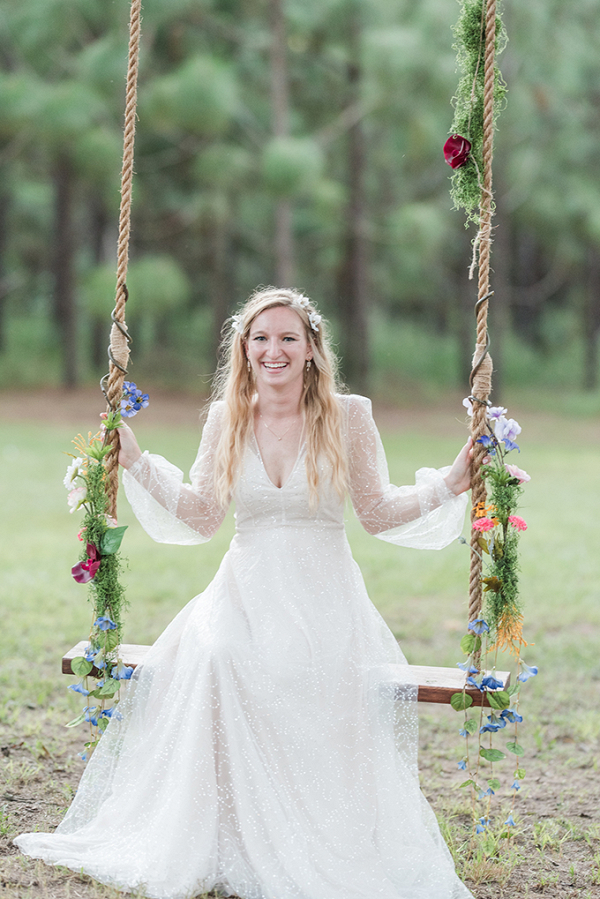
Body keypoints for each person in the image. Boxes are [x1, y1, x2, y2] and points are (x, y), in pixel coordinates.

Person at [15, 287, 474, 899]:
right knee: (217, 655)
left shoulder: (348, 415)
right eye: (260, 338)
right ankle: (227, 831)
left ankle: (309, 832)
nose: (273, 350)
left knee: (305, 665)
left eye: (288, 338)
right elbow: (203, 515)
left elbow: (379, 510)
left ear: (312, 349)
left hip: (323, 590)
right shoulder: (226, 417)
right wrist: (137, 462)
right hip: (244, 587)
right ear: (244, 349)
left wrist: (450, 483)